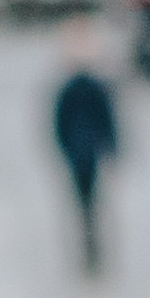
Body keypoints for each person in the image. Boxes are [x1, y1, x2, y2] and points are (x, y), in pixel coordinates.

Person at [49, 18, 127, 276]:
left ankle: (91, 247)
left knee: (85, 205)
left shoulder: (73, 89)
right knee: (89, 205)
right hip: (87, 153)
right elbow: (107, 123)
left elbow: (59, 126)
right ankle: (91, 247)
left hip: (80, 154)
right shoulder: (91, 89)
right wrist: (113, 149)